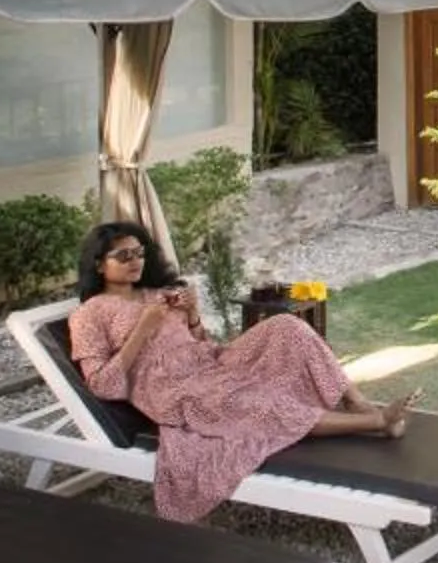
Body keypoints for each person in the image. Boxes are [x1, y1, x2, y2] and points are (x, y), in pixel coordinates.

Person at [66, 221, 419, 523]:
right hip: (173, 391)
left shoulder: (157, 294)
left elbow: (196, 341)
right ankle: (375, 422)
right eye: (123, 256)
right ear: (99, 264)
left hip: (212, 363)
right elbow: (102, 384)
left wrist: (192, 317)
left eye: (139, 253)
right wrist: (142, 329)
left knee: (287, 326)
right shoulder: (89, 315)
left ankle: (357, 402)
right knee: (257, 400)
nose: (135, 261)